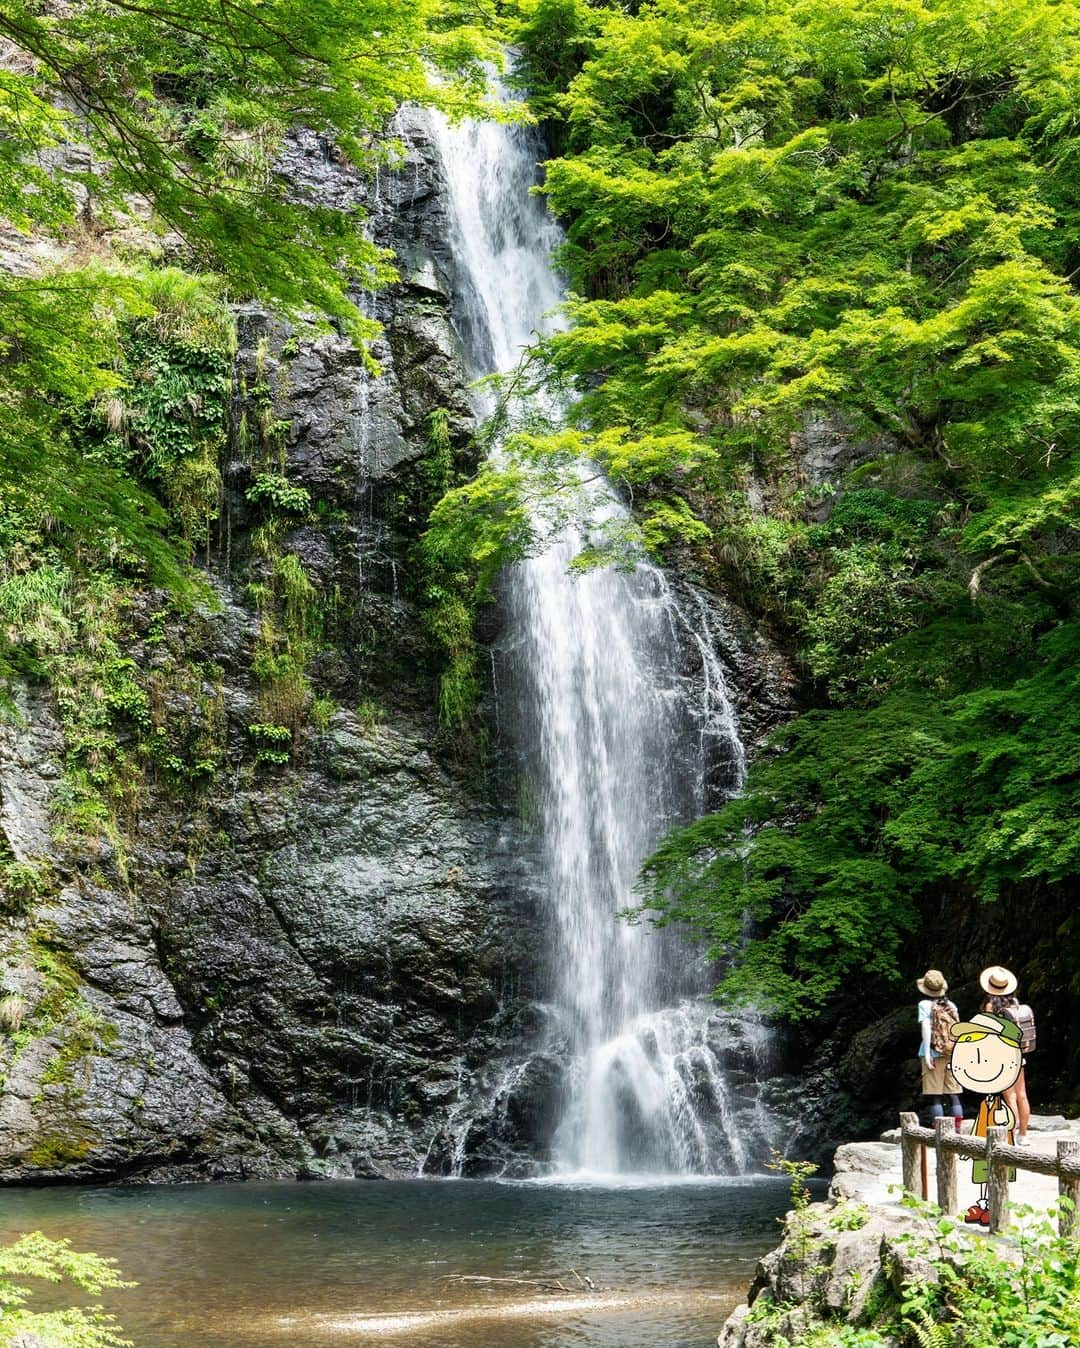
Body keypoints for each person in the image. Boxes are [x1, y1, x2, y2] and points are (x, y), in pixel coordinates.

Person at [949, 1011, 1022, 1224]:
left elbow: (1009, 1122)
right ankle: (982, 1204)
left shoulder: (1000, 1103)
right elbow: (979, 1124)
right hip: (981, 1145)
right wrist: (968, 1147)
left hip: (999, 1146)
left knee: (997, 1175)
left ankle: (994, 1206)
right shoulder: (984, 1102)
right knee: (982, 1176)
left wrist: (1005, 1119)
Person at [979, 965, 1033, 1145]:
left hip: (1003, 1055)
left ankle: (1012, 1133)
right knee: (1022, 1094)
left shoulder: (990, 1006)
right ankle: (1023, 1135)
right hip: (1019, 1053)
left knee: (1009, 1096)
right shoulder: (1015, 1004)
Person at [915, 969, 963, 1128]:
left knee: (935, 1096)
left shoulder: (924, 1005)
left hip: (933, 1053)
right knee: (954, 1094)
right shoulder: (952, 1006)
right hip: (952, 1052)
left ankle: (940, 1133)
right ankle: (957, 1131)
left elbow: (926, 1028)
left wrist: (928, 1053)